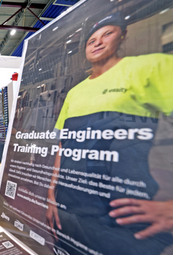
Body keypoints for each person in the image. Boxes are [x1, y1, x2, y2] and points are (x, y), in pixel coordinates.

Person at [45, 12, 173, 255]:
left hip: (124, 210)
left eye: (107, 34)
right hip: (72, 206)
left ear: (122, 36)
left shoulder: (150, 68)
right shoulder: (75, 92)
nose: (99, 43)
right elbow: (64, 145)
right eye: (92, 40)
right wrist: (52, 195)